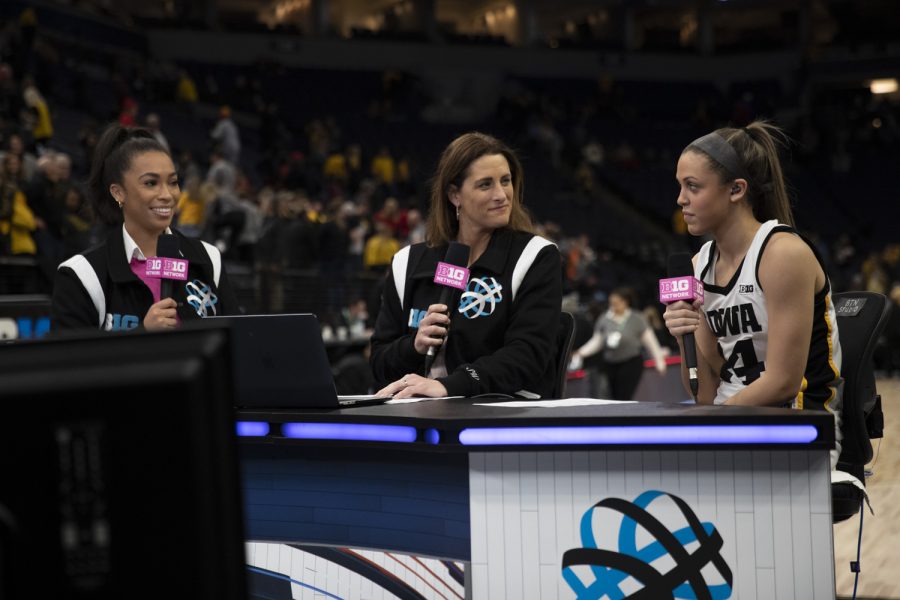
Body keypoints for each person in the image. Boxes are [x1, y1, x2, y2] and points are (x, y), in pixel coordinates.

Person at [663, 121, 842, 459]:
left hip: (800, 427)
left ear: (736, 190)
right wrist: (682, 331)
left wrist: (715, 424)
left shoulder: (782, 253)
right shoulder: (699, 264)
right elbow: (704, 392)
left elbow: (783, 382)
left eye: (693, 186)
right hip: (733, 421)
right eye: (680, 186)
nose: (680, 199)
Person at [370, 132, 562, 399]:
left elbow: (527, 356)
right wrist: (413, 346)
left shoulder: (535, 256)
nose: (502, 195)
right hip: (417, 416)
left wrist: (450, 385)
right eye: (485, 185)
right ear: (454, 195)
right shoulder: (407, 263)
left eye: (506, 181)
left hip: (503, 418)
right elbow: (379, 363)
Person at [51, 124, 238, 332]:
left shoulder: (209, 259)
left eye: (173, 182)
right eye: (151, 183)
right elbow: (71, 361)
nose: (167, 195)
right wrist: (141, 334)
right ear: (118, 193)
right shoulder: (82, 275)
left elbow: (237, 344)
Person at [571, 287, 667, 400]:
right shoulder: (604, 319)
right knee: (612, 396)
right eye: (611, 303)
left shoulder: (637, 318)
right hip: (610, 363)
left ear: (625, 302)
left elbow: (650, 341)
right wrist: (580, 353)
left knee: (624, 396)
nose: (613, 306)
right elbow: (597, 341)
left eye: (616, 303)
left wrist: (659, 361)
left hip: (630, 362)